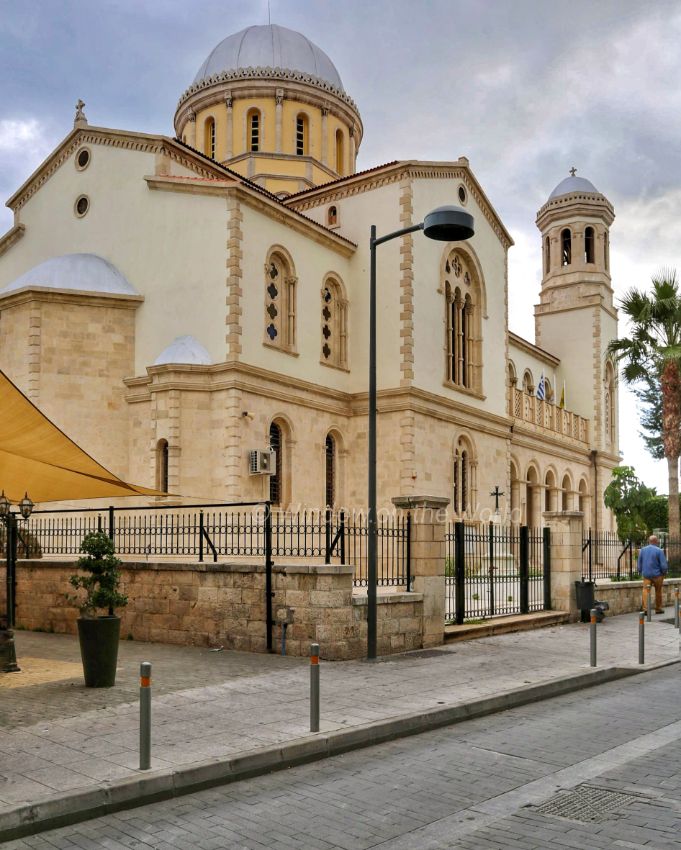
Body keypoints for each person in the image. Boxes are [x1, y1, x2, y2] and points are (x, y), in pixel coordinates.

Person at [638, 534, 668, 614]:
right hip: (657, 575)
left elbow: (639, 562)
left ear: (649, 541)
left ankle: (645, 609)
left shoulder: (643, 550)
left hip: (646, 575)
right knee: (658, 591)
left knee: (645, 590)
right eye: (657, 541)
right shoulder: (659, 551)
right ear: (656, 541)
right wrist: (664, 572)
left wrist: (640, 571)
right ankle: (658, 608)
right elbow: (663, 565)